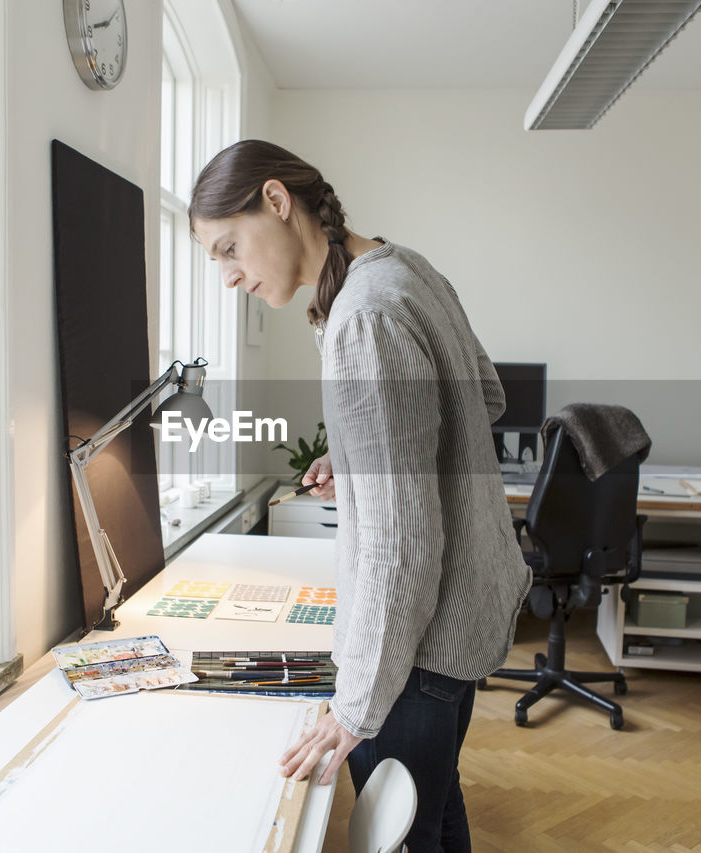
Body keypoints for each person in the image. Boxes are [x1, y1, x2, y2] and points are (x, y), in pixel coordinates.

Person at [189, 139, 530, 852]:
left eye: (228, 248)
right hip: (464, 615)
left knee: (408, 834)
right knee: (433, 809)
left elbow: (400, 548)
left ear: (276, 202)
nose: (227, 276)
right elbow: (487, 396)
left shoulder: (361, 318)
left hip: (417, 642)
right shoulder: (406, 269)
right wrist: (372, 461)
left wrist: (354, 709)